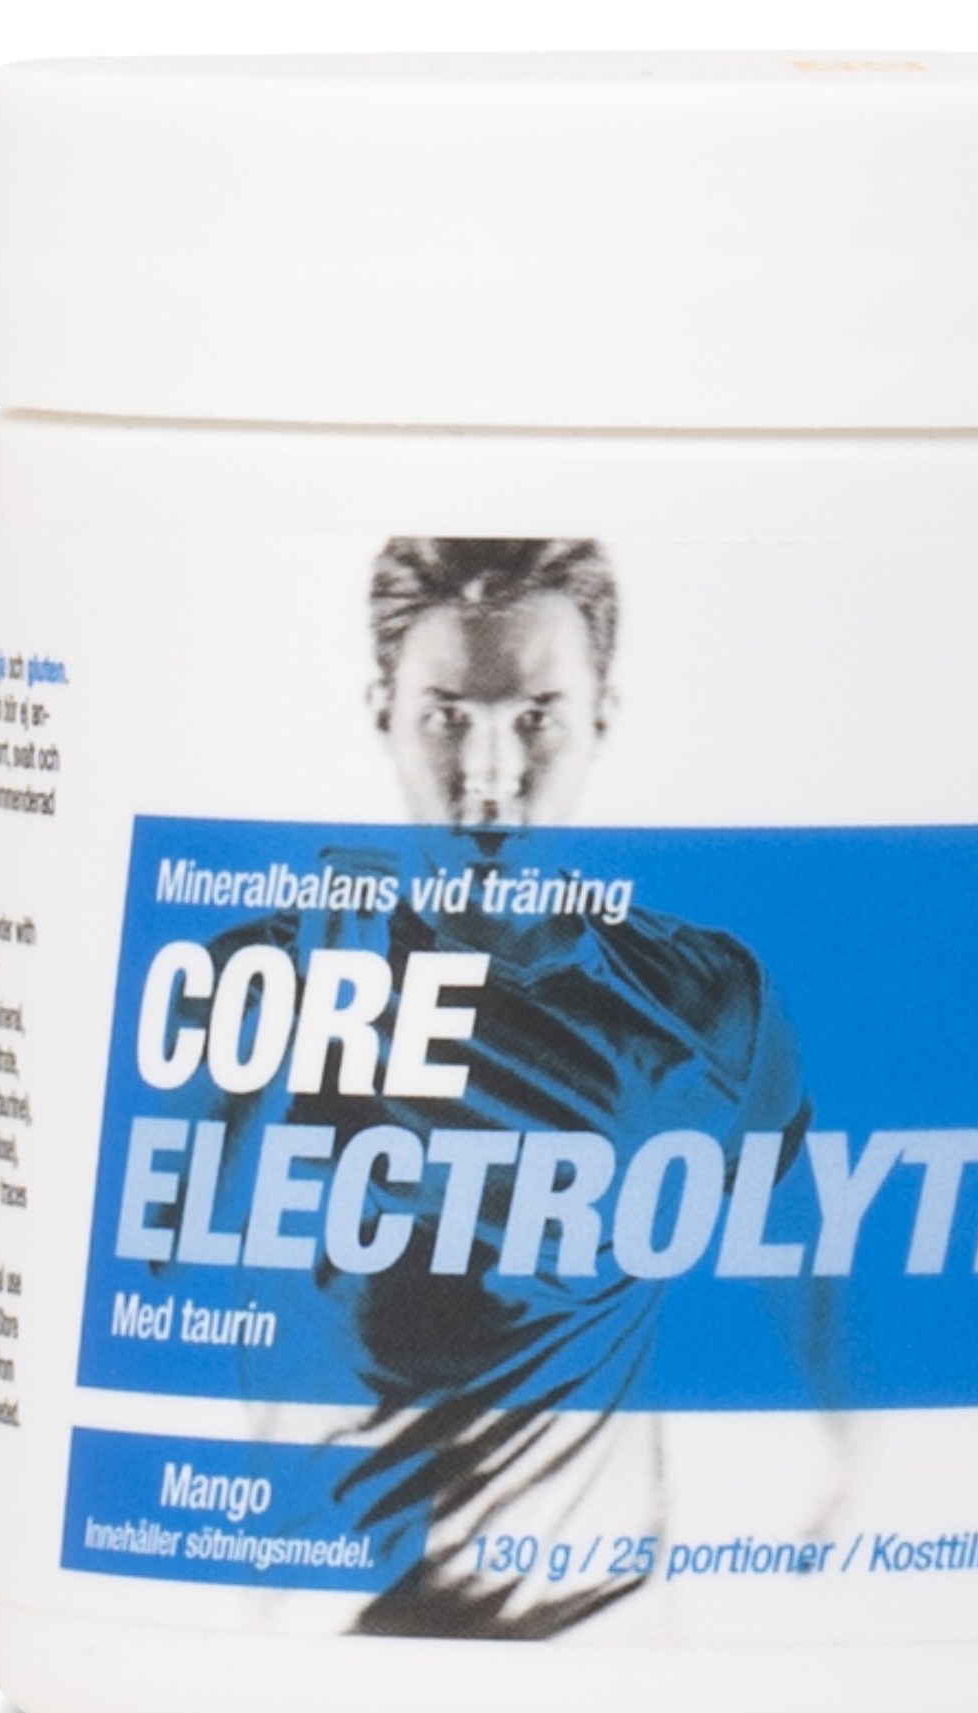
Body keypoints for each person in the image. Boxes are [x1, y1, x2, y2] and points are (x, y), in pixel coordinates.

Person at [306, 538, 814, 1638]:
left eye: (535, 717)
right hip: (330, 1640)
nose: (490, 772)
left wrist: (860, 1494)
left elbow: (822, 1278)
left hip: (610, 1633)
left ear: (601, 715)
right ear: (382, 711)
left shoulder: (704, 995)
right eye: (448, 717)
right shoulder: (273, 991)